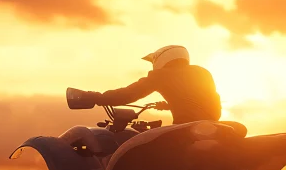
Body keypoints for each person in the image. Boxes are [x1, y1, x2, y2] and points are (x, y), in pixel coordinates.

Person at [84, 45, 222, 125]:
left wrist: (97, 97)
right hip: (214, 124)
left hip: (185, 127)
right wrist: (169, 105)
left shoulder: (161, 75)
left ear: (161, 58)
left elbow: (129, 94)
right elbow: (200, 97)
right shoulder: (203, 72)